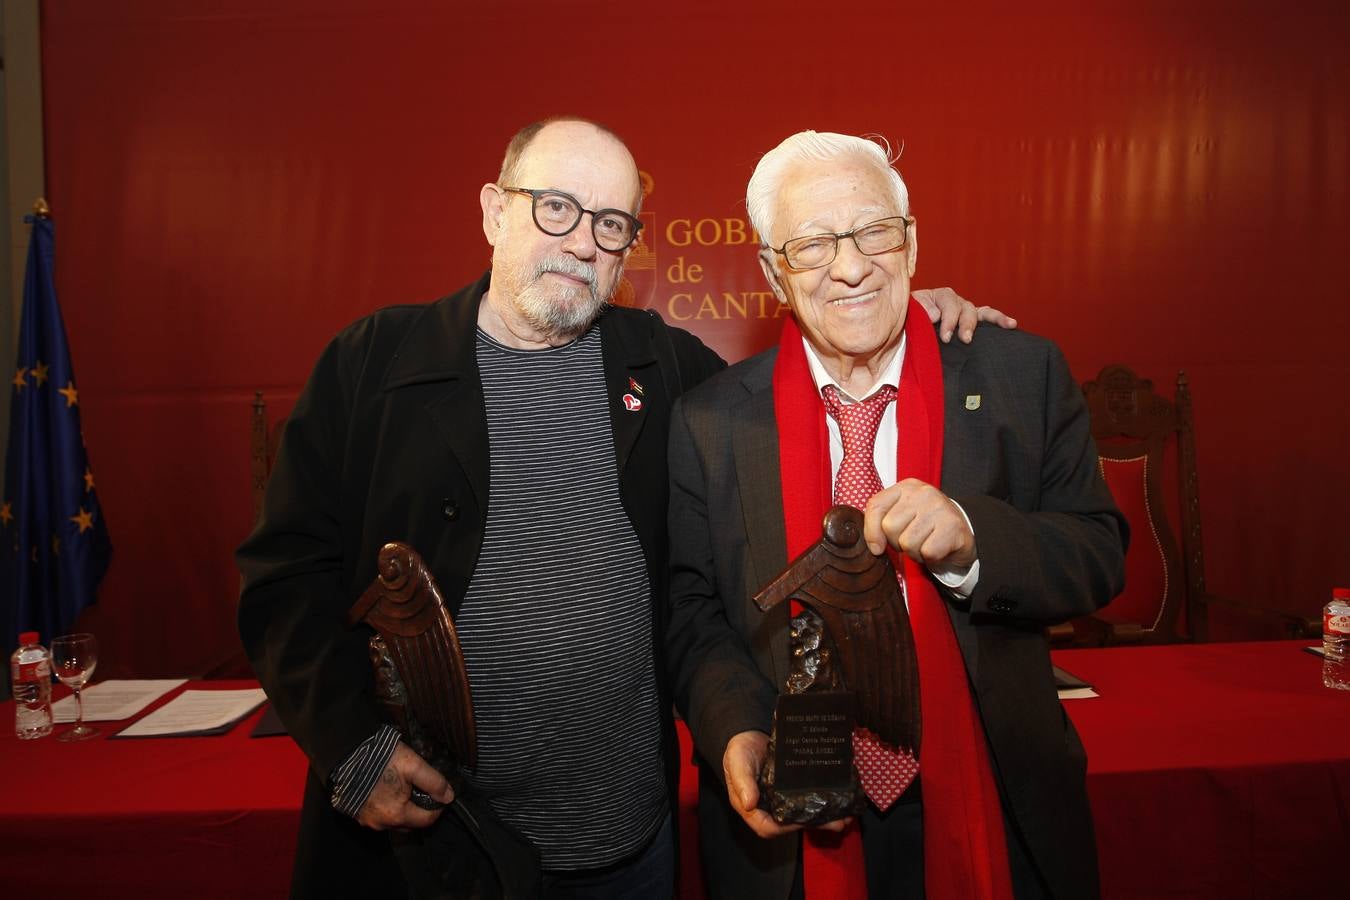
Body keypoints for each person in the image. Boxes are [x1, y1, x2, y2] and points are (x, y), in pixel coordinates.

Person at [237, 116, 1006, 899]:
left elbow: (792, 397)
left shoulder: (662, 366)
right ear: (494, 211)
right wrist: (351, 746)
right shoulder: (374, 364)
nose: (583, 243)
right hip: (430, 837)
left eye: (612, 224)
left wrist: (901, 320)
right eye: (556, 208)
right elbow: (282, 580)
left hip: (627, 848)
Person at [665, 130, 1127, 900]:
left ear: (911, 241)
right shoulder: (708, 421)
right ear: (772, 273)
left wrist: (975, 540)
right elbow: (691, 611)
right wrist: (736, 728)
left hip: (994, 797)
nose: (850, 267)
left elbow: (1099, 552)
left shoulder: (1022, 373)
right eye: (811, 244)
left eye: (874, 230)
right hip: (791, 825)